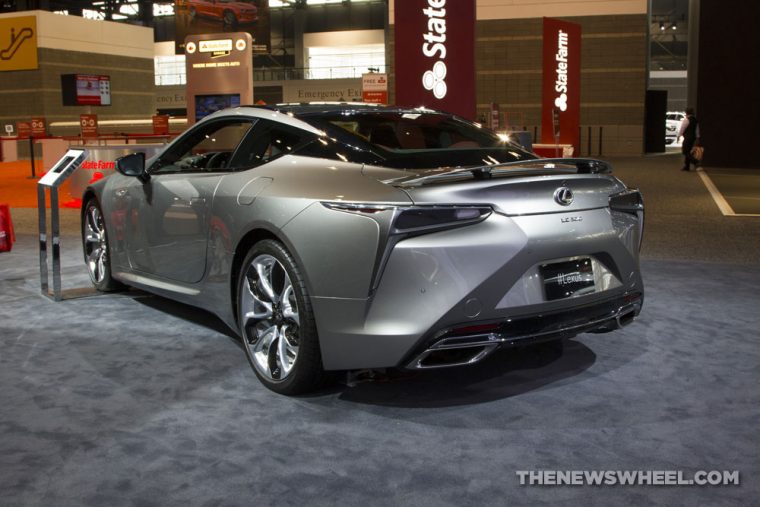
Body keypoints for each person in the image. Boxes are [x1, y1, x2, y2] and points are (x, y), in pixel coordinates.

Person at [678, 107, 700, 171]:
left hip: (687, 137)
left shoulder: (686, 120)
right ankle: (687, 167)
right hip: (693, 138)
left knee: (685, 151)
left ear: (686, 112)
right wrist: (698, 137)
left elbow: (682, 128)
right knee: (688, 151)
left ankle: (695, 162)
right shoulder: (695, 120)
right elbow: (697, 130)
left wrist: (679, 136)